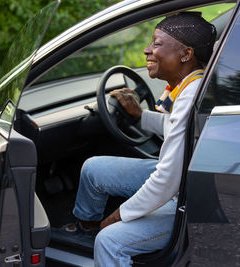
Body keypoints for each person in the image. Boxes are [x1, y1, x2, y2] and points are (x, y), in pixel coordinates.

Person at [67, 12, 217, 266]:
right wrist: (139, 116)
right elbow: (175, 128)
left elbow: (167, 180)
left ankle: (101, 243)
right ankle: (88, 231)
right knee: (93, 169)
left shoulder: (191, 95)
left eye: (157, 44)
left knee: (109, 242)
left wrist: (117, 217)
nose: (147, 50)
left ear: (186, 54)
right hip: (180, 179)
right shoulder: (191, 84)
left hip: (187, 196)